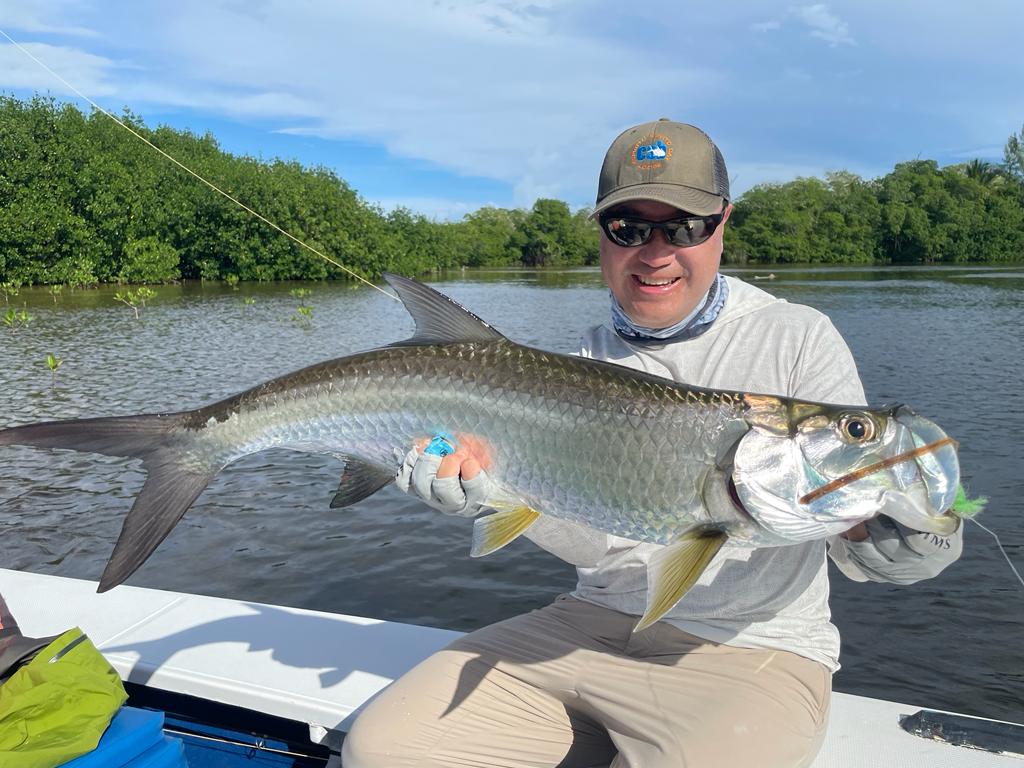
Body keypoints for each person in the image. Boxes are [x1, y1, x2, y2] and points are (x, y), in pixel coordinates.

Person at [341, 119, 963, 768]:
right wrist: (493, 497)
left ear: (723, 222)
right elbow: (596, 545)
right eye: (629, 229)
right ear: (603, 236)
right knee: (382, 749)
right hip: (588, 624)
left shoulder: (798, 336)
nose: (657, 252)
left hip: (755, 648)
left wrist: (889, 523)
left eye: (686, 226)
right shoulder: (579, 358)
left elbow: (904, 557)